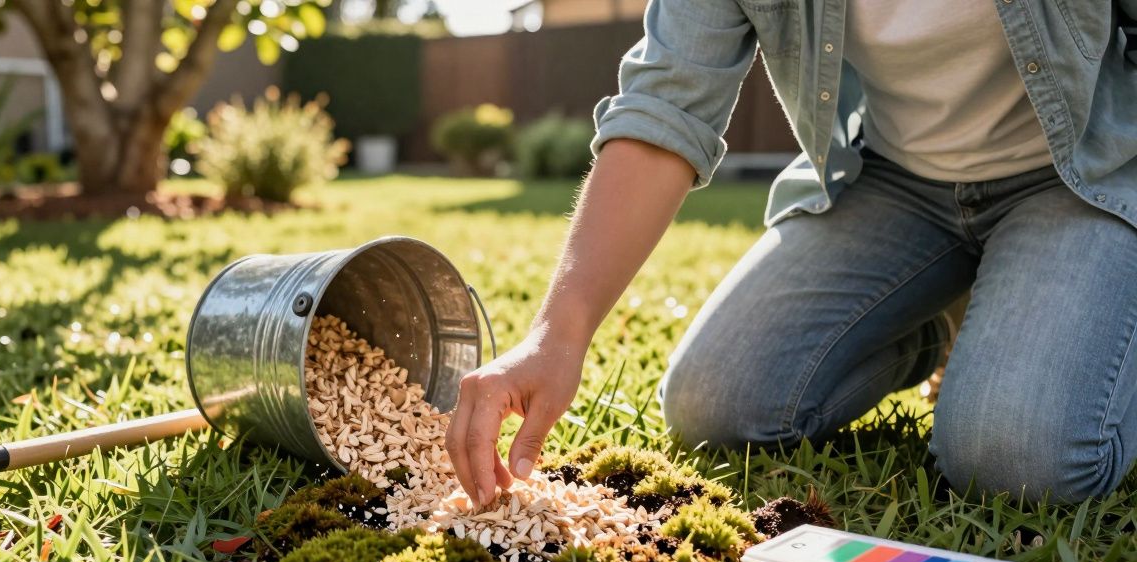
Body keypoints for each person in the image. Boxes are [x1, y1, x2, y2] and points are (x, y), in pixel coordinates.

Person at [444, 0, 1137, 507]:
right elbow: (667, 103)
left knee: (1013, 458)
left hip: (1084, 177)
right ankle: (945, 320)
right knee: (715, 403)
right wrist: (555, 335)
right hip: (895, 184)